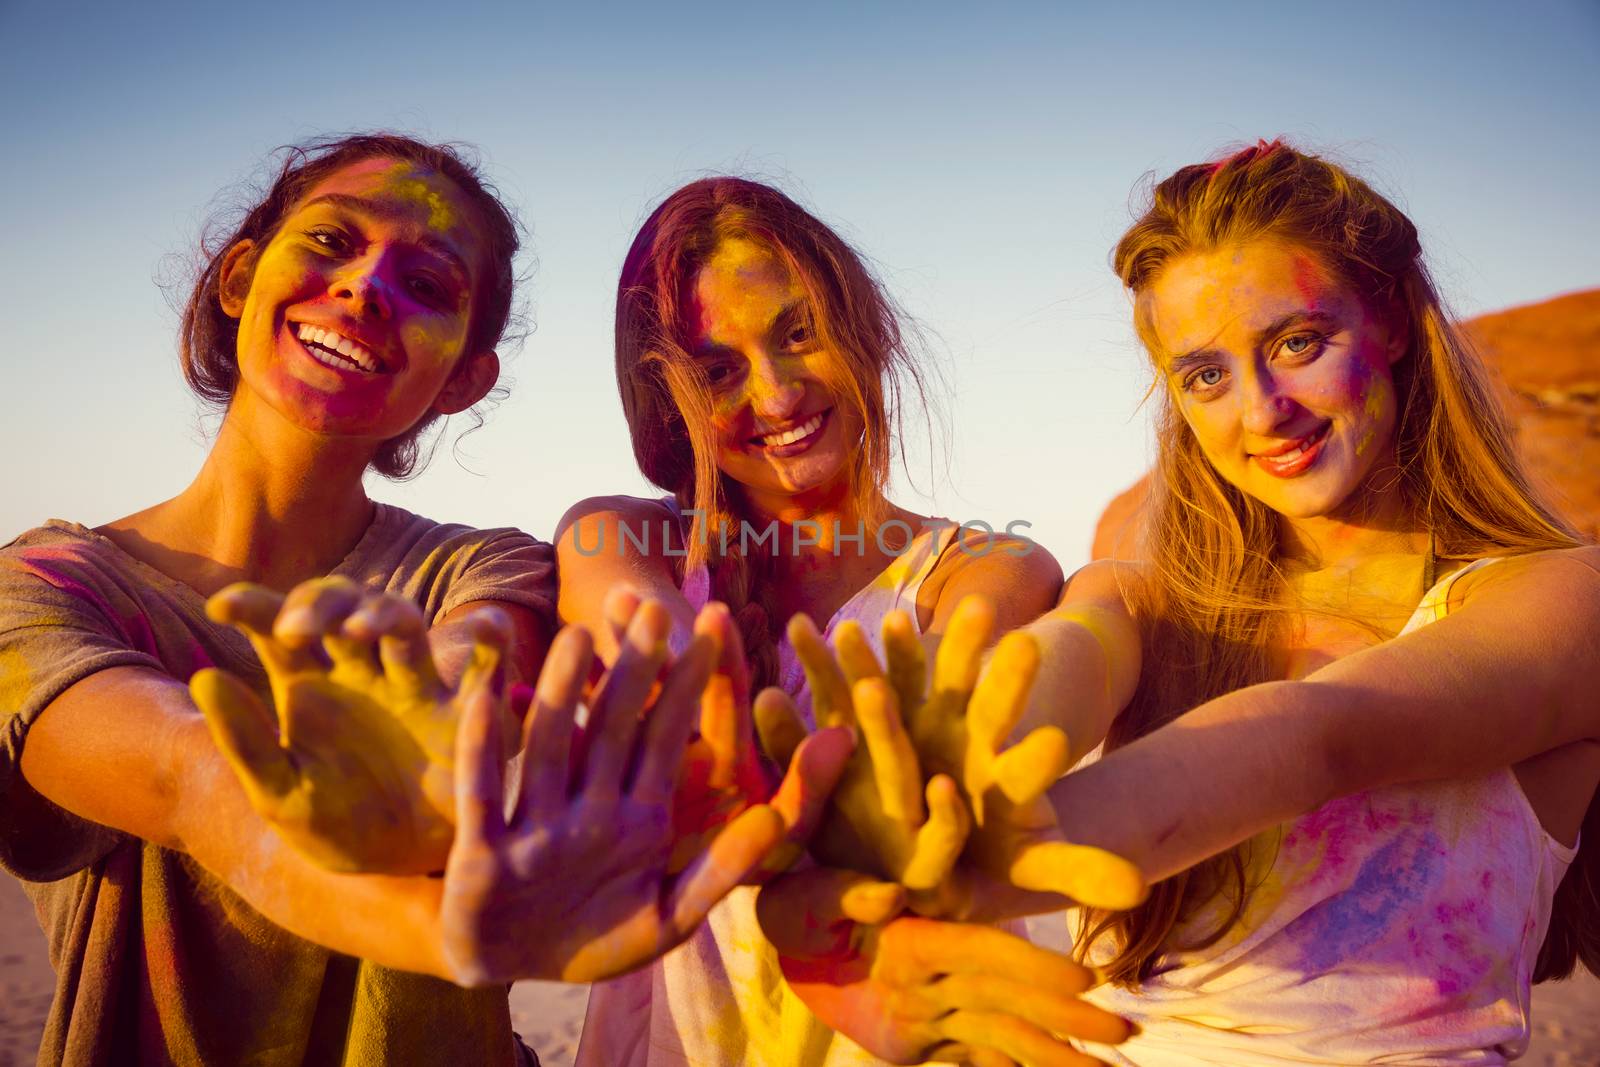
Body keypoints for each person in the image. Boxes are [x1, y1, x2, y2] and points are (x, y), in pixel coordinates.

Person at [770, 140, 1600, 1066]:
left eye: (1297, 342)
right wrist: (943, 777)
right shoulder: (1140, 601)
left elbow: (1318, 734)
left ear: (1395, 322)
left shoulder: (1559, 598)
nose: (1260, 410)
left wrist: (984, 859)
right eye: (1205, 375)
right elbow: (1068, 655)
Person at [0, 134, 809, 1066]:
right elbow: (189, 781)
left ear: (464, 377)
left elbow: (468, 678)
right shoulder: (42, 591)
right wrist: (439, 929)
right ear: (239, 277)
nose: (367, 287)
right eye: (331, 240)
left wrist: (444, 734)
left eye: (427, 285)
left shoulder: (488, 569)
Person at [557, 177, 1137, 1065]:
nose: (779, 393)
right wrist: (686, 694)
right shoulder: (623, 535)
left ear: (863, 328)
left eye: (799, 334)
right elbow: (632, 617)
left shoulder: (986, 568)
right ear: (667, 400)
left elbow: (950, 689)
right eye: (718, 370)